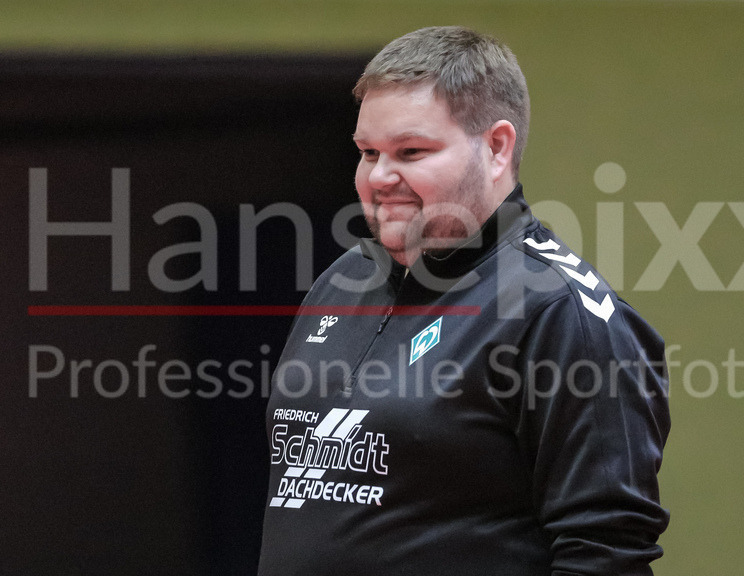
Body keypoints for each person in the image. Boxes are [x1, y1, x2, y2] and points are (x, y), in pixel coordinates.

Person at [258, 26, 670, 576]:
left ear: (496, 147)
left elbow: (606, 552)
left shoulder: (559, 311)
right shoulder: (343, 279)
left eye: (410, 151)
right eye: (367, 152)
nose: (379, 177)